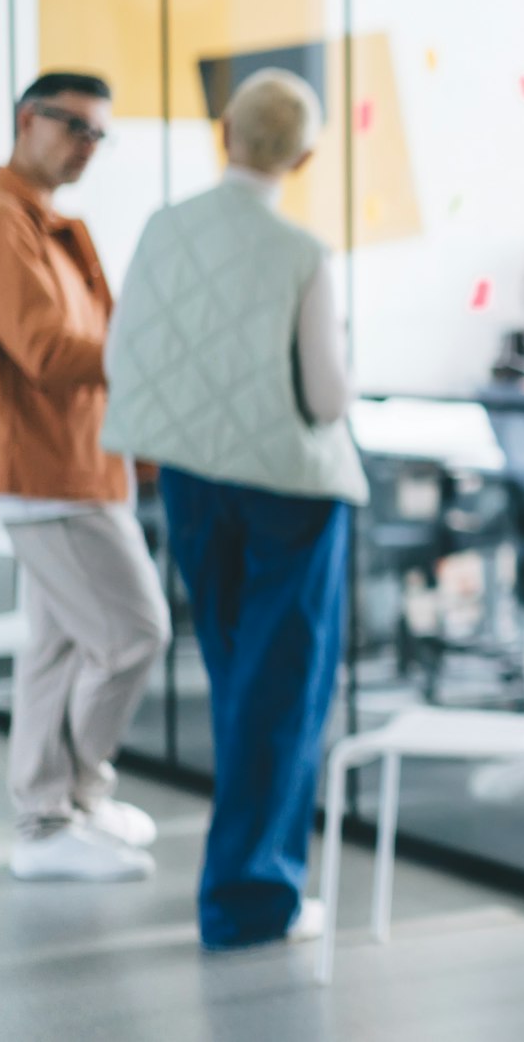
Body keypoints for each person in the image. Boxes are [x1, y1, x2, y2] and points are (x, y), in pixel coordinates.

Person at [101, 67, 365, 950]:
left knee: (236, 677)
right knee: (281, 691)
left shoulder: (163, 227)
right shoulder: (300, 253)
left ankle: (248, 884)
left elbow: (123, 347)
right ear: (307, 154)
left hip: (193, 479)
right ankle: (252, 900)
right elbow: (326, 399)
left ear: (225, 133)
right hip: (291, 491)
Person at [0, 71, 170, 882]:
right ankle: (71, 798)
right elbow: (46, 351)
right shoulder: (2, 222)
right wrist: (152, 338)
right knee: (135, 633)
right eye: (75, 127)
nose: (87, 147)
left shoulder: (46, 223)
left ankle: (50, 818)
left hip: (75, 466)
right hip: (44, 473)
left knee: (59, 646)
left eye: (100, 134)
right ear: (28, 120)